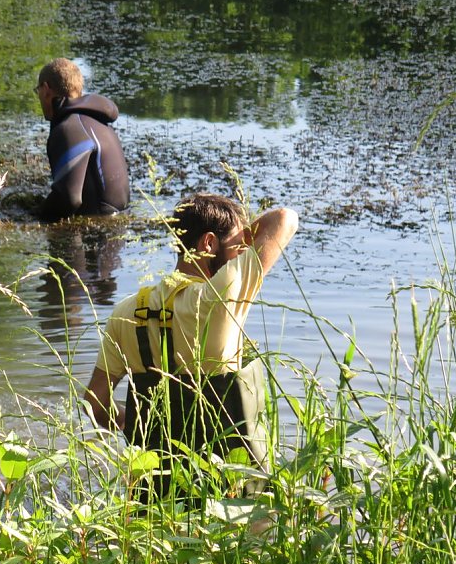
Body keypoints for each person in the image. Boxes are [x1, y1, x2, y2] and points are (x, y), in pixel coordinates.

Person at [84, 193, 298, 499]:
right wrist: (248, 232)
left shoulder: (125, 312)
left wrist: (137, 424)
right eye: (238, 246)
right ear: (208, 244)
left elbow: (95, 403)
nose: (241, 255)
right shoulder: (220, 296)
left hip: (154, 489)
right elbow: (285, 219)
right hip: (228, 489)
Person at [35, 58, 130, 221]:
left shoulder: (69, 129)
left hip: (97, 235)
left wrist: (35, 216)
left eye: (37, 91)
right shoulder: (97, 122)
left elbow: (68, 199)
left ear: (45, 90)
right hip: (119, 229)